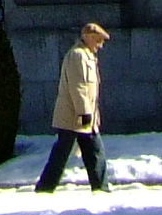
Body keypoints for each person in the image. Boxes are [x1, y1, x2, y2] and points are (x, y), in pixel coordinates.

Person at [34, 21, 110, 190]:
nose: (100, 45)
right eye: (98, 40)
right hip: (75, 118)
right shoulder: (78, 56)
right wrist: (85, 116)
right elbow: (79, 88)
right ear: (88, 38)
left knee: (88, 152)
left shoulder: (86, 56)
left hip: (81, 117)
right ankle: (46, 187)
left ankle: (100, 187)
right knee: (69, 154)